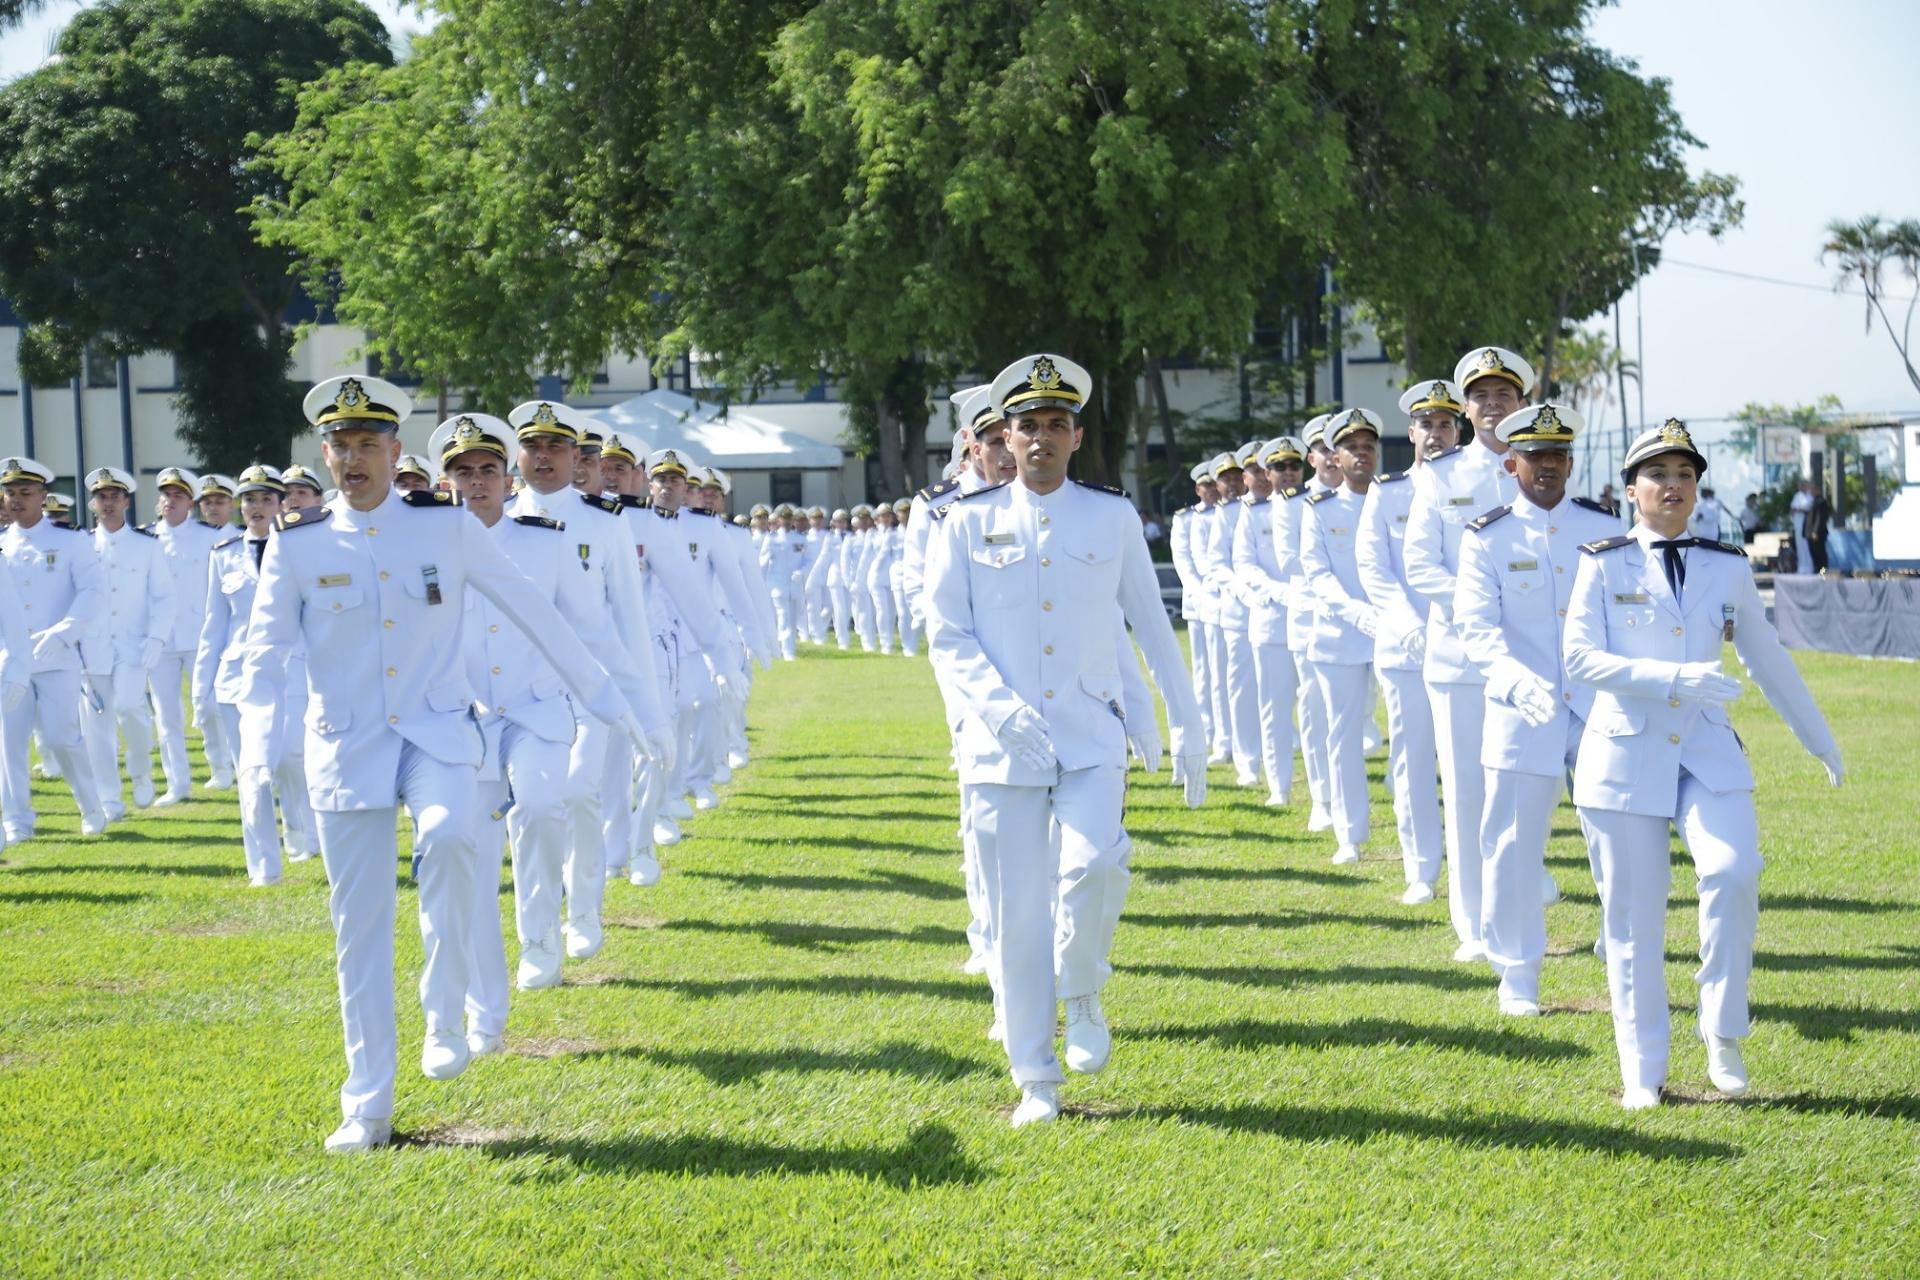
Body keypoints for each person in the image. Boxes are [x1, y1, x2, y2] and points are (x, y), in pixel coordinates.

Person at [237, 375, 652, 1153]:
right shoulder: (297, 547)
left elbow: (539, 614)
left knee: (456, 839)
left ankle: (442, 1008)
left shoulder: (444, 530)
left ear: (396, 454)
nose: (354, 458)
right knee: (356, 932)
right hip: (347, 747)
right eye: (341, 445)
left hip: (436, 735)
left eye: (369, 445)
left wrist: (608, 701)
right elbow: (263, 660)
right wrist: (259, 746)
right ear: (324, 455)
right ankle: (367, 1106)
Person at [923, 352, 1205, 1127]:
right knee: (1016, 916)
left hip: (1087, 732)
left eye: (1056, 424)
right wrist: (998, 710)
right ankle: (1035, 1079)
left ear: (1077, 436)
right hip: (999, 744)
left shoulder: (1109, 516)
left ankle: (1081, 987)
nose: (1041, 438)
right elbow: (946, 635)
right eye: (1027, 426)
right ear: (1003, 438)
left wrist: (1184, 722)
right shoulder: (964, 522)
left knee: (1094, 867)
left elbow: (1151, 623)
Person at [1564, 418, 1844, 1110]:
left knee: (1734, 869)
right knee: (1633, 918)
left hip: (1706, 751)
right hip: (1624, 751)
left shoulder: (1725, 564)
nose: (1674, 486)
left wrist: (1818, 738)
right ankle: (1643, 1068)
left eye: (1685, 475)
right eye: (1658, 475)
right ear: (1632, 490)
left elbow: (1766, 657)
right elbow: (1577, 659)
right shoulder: (1601, 561)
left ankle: (1722, 1029)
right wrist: (1670, 678)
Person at [1452, 404, 1618, 1016]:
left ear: (1570, 462)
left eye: (1558, 455)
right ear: (1511, 462)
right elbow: (1476, 627)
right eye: (1535, 456)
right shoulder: (1487, 536)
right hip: (1522, 707)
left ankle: (1620, 946)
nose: (1547, 466)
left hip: (1598, 704)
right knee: (1513, 843)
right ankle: (1518, 974)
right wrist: (1511, 679)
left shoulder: (1604, 528)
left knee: (1618, 837)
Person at [506, 399, 669, 960]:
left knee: (578, 794)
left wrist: (649, 712)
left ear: (576, 456)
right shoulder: (492, 520)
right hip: (521, 694)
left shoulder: (604, 523)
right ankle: (537, 931)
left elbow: (629, 623)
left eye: (556, 447)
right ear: (519, 454)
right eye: (534, 446)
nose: (544, 456)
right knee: (530, 809)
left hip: (588, 691)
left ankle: (582, 911)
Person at [1403, 346, 1531, 961]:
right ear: (1465, 407)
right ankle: (1475, 926)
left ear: (1521, 404)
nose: (1491, 405)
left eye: (1503, 395)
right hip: (1457, 659)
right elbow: (1420, 565)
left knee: (1523, 790)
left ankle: (1519, 908)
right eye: (1479, 396)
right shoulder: (1440, 474)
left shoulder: (1540, 467)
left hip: (1527, 658)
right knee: (1467, 791)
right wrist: (1476, 605)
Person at [1356, 380, 1460, 904]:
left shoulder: (1475, 485)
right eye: (1427, 424)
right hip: (1406, 648)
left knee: (1477, 764)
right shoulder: (1389, 490)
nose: (1436, 433)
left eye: (1445, 423)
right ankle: (1421, 869)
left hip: (1466, 645)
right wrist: (1407, 626)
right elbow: (1374, 569)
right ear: (1412, 431)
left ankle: (1492, 868)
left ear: (1457, 428)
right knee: (1413, 760)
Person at [195, 464, 313, 886]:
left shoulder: (299, 547)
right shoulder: (223, 554)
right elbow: (214, 625)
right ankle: (262, 867)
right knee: (252, 772)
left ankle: (299, 830)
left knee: (289, 760)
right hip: (237, 676)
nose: (257, 507)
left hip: (293, 671)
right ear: (239, 506)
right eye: (249, 499)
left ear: (281, 504)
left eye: (266, 499)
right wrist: (201, 690)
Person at [0, 456, 112, 839]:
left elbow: (93, 592)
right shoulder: (2, 544)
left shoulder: (70, 540)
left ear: (43, 496)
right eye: (10, 493)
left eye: (25, 493)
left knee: (60, 737)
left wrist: (66, 631)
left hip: (57, 657)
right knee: (10, 746)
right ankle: (17, 821)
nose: (16, 500)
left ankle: (90, 804)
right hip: (9, 661)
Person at [1300, 409, 1384, 865]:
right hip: (1339, 634)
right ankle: (1349, 834)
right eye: (1352, 448)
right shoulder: (1319, 511)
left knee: (1412, 736)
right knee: (1343, 734)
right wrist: (1356, 614)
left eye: (1368, 447)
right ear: (1336, 456)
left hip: (1394, 632)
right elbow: (1317, 574)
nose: (1361, 455)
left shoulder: (1393, 501)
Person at [81, 466, 175, 816]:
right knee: (96, 729)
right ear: (93, 503)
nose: (107, 503)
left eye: (114, 496)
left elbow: (164, 596)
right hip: (91, 648)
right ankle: (108, 799)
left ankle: (139, 770)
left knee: (129, 708)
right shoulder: (83, 544)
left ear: (127, 501)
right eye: (101, 497)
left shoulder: (146, 545)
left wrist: (157, 636)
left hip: (135, 645)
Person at [145, 466, 228, 801]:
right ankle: (177, 782)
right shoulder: (146, 538)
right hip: (160, 638)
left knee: (209, 708)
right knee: (166, 716)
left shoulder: (212, 537)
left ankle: (221, 766)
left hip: (200, 635)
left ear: (190, 503)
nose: (170, 501)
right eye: (166, 495)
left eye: (178, 495)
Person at [1232, 436, 1303, 805]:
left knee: (1315, 709)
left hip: (1311, 620)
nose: (1288, 473)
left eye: (1294, 466)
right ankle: (1279, 785)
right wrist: (1278, 591)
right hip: (1272, 621)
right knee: (1274, 708)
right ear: (1266, 473)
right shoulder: (1255, 513)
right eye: (1280, 467)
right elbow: (1244, 564)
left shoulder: (1314, 506)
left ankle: (1324, 789)